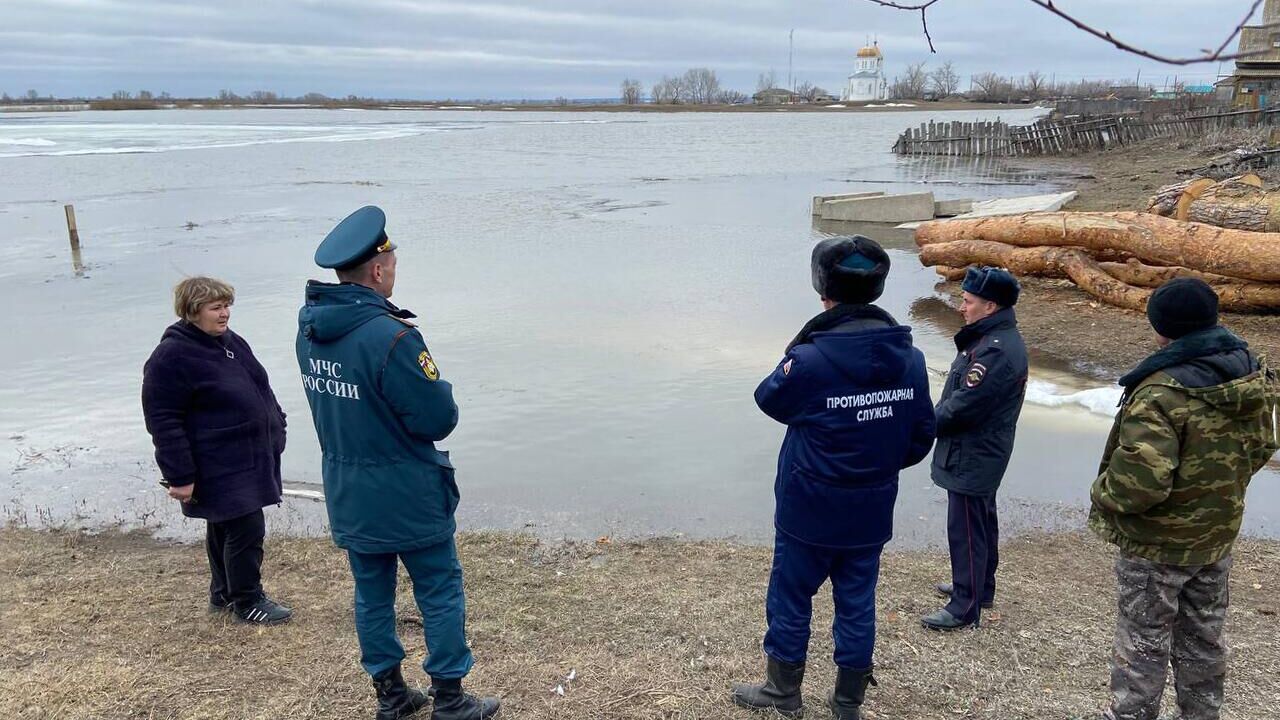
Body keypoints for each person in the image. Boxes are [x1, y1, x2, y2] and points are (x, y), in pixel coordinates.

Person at [295, 206, 499, 720]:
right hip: (406, 489)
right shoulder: (391, 338)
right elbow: (437, 417)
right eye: (393, 262)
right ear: (379, 269)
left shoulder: (311, 332)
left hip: (348, 489)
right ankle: (450, 701)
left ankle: (390, 696)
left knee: (371, 596)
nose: (394, 270)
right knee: (439, 591)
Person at [731, 236, 936, 720]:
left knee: (791, 596)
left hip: (810, 507)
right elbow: (921, 435)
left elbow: (768, 398)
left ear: (823, 287)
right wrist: (874, 463)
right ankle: (848, 704)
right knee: (858, 601)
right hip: (870, 507)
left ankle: (783, 692)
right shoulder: (910, 358)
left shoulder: (812, 360)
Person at [1091, 278, 1279, 720]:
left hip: (1157, 544)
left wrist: (1102, 493)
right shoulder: (1251, 370)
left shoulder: (1160, 391)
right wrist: (1218, 492)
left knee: (1143, 640)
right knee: (1203, 637)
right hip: (1215, 533)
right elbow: (1262, 446)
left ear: (1163, 328)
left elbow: (1140, 483)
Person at [141, 276, 292, 626]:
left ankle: (223, 592)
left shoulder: (229, 341)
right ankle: (248, 600)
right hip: (217, 461)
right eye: (216, 308)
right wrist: (179, 475)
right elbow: (162, 420)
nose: (224, 314)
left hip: (247, 455)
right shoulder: (171, 356)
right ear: (193, 311)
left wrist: (277, 423)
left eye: (227, 306)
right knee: (246, 526)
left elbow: (260, 386)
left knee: (224, 524)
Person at [921, 266, 1028, 631]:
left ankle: (964, 606)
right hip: (981, 448)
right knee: (981, 520)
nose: (961, 307)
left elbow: (963, 405)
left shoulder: (995, 352)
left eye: (967, 302)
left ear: (990, 306)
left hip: (975, 451)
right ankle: (980, 587)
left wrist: (920, 426)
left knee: (966, 526)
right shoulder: (990, 339)